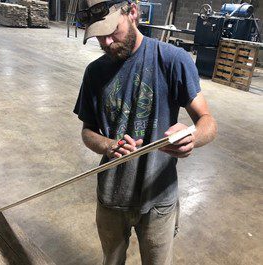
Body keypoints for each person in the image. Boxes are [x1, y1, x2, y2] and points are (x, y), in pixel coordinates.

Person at [73, 0, 217, 264]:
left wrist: (193, 137)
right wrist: (108, 145)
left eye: (111, 31)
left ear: (133, 13)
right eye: (98, 36)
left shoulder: (173, 60)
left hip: (159, 199)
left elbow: (207, 121)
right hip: (112, 198)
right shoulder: (94, 72)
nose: (105, 43)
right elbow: (87, 132)